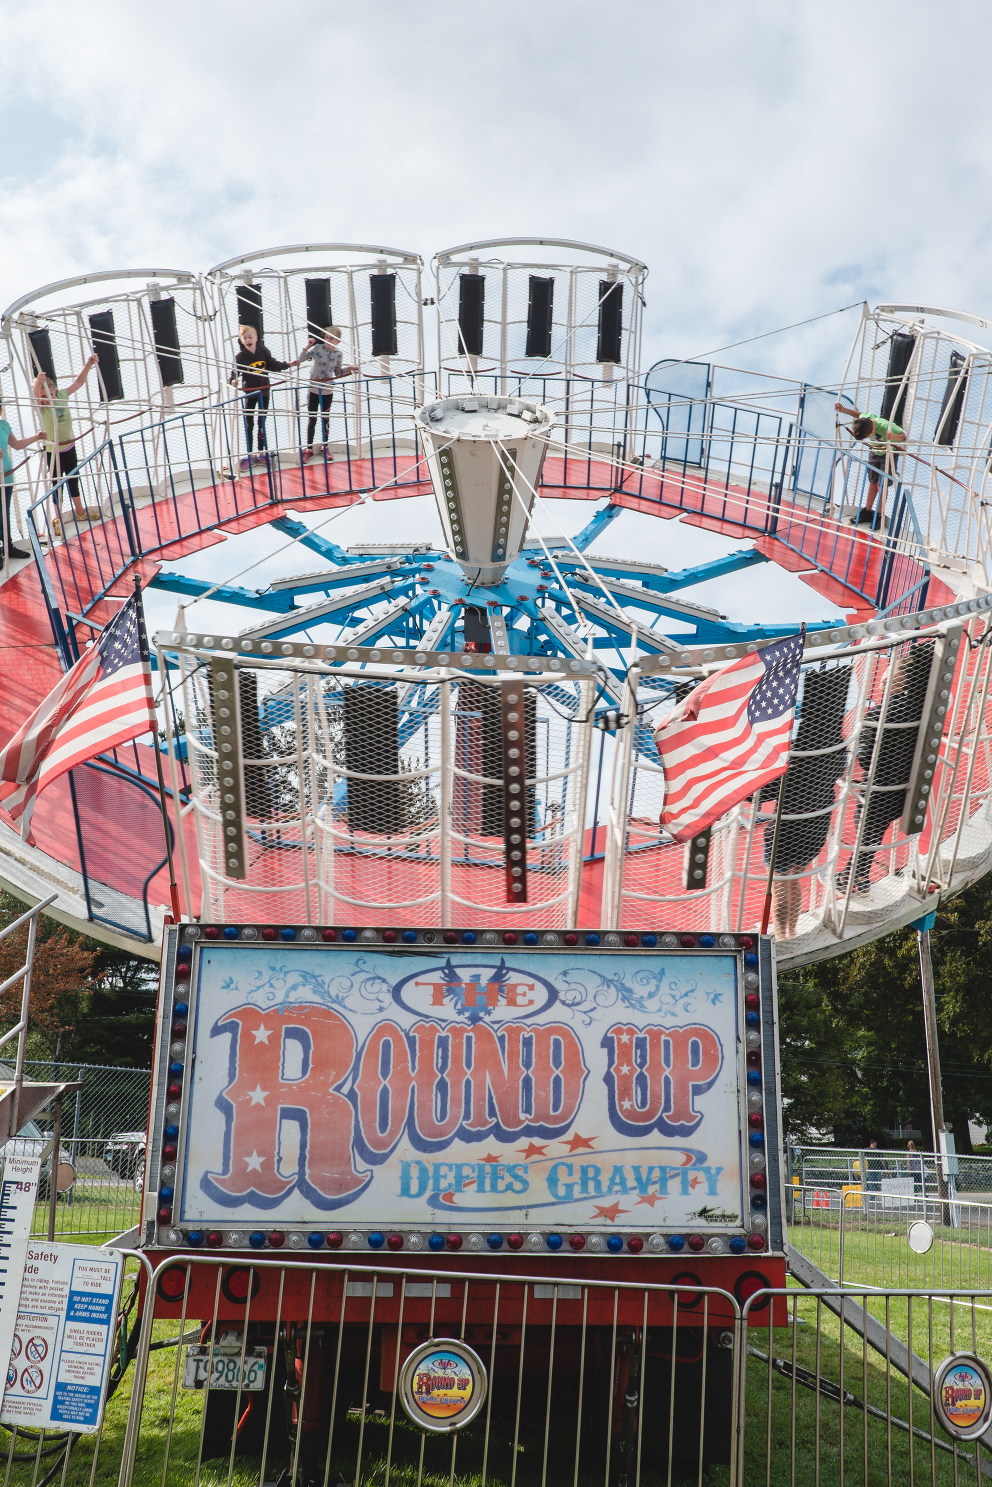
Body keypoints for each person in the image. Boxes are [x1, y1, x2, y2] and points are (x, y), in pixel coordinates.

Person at [759, 665, 851, 939]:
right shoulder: (837, 744)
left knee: (778, 884)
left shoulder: (796, 749)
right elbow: (837, 773)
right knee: (796, 878)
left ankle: (782, 934)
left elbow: (770, 789)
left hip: (787, 825)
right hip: (816, 824)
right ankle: (792, 929)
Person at [835, 643, 934, 896]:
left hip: (878, 790)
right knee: (871, 832)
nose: (881, 679)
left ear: (898, 682)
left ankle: (853, 879)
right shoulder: (920, 710)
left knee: (866, 828)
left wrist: (867, 774)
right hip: (902, 790)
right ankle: (856, 875)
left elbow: (866, 755)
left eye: (888, 675)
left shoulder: (878, 713)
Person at [34, 356, 100, 531]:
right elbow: (34, 399)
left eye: (50, 394)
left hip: (69, 447)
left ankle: (80, 511)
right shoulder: (42, 407)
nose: (47, 398)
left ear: (55, 391)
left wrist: (88, 364)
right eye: (43, 396)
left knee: (73, 479)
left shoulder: (62, 395)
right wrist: (37, 384)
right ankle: (57, 520)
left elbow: (78, 382)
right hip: (53, 451)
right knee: (57, 485)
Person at [229, 325, 294, 468]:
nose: (248, 340)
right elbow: (233, 374)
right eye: (245, 338)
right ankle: (250, 454)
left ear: (256, 338)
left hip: (264, 392)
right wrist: (233, 381)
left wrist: (287, 365)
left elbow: (272, 364)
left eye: (250, 337)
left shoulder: (263, 351)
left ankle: (261, 453)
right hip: (250, 393)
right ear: (241, 341)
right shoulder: (240, 358)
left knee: (262, 423)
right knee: (249, 424)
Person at [834, 401, 906, 529]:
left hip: (889, 453)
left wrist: (893, 436)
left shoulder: (885, 426)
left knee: (881, 485)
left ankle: (879, 515)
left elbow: (903, 436)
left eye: (868, 436)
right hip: (875, 451)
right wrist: (844, 409)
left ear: (873, 429)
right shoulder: (866, 419)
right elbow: (858, 415)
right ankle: (867, 511)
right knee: (873, 482)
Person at [297, 325, 357, 460]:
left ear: (338, 341)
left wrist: (349, 369)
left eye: (332, 338)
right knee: (312, 419)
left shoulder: (338, 354)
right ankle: (309, 448)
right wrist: (307, 346)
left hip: (327, 390)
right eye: (327, 337)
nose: (329, 340)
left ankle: (325, 446)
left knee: (326, 418)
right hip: (313, 389)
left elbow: (337, 372)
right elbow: (301, 359)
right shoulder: (317, 349)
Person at [0, 399, 46, 563]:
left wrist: (37, 437)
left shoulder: (4, 426)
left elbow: (17, 445)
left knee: (4, 513)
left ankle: (8, 547)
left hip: (7, 476)